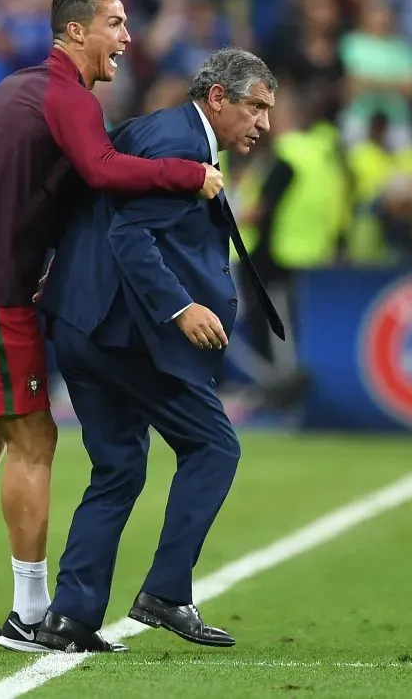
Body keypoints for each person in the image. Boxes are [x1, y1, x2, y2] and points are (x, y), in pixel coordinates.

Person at [0, 0, 224, 650]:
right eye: (114, 23)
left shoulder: (14, 89)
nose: (126, 37)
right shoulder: (64, 94)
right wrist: (187, 176)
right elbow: (103, 168)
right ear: (74, 31)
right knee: (35, 440)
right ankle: (30, 609)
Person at [36, 48, 285, 653]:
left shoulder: (156, 128)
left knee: (118, 468)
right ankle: (167, 593)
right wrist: (181, 306)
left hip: (83, 323)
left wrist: (60, 265)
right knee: (213, 446)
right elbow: (131, 233)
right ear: (218, 98)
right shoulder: (181, 143)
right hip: (125, 333)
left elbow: (91, 194)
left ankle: (69, 617)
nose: (265, 124)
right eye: (257, 107)